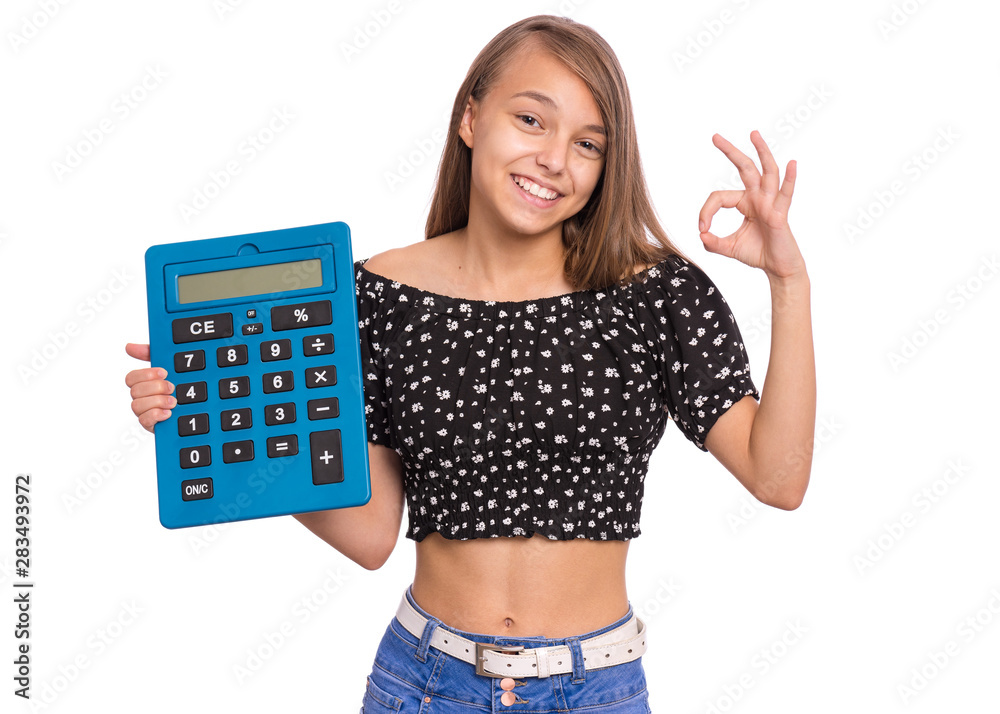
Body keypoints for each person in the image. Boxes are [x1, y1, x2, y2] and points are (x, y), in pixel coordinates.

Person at [126, 14, 815, 712]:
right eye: (530, 120)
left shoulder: (652, 294)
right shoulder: (377, 298)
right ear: (470, 118)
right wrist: (214, 421)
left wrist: (788, 282)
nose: (554, 159)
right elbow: (369, 534)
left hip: (597, 689)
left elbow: (777, 478)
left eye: (587, 144)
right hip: (424, 683)